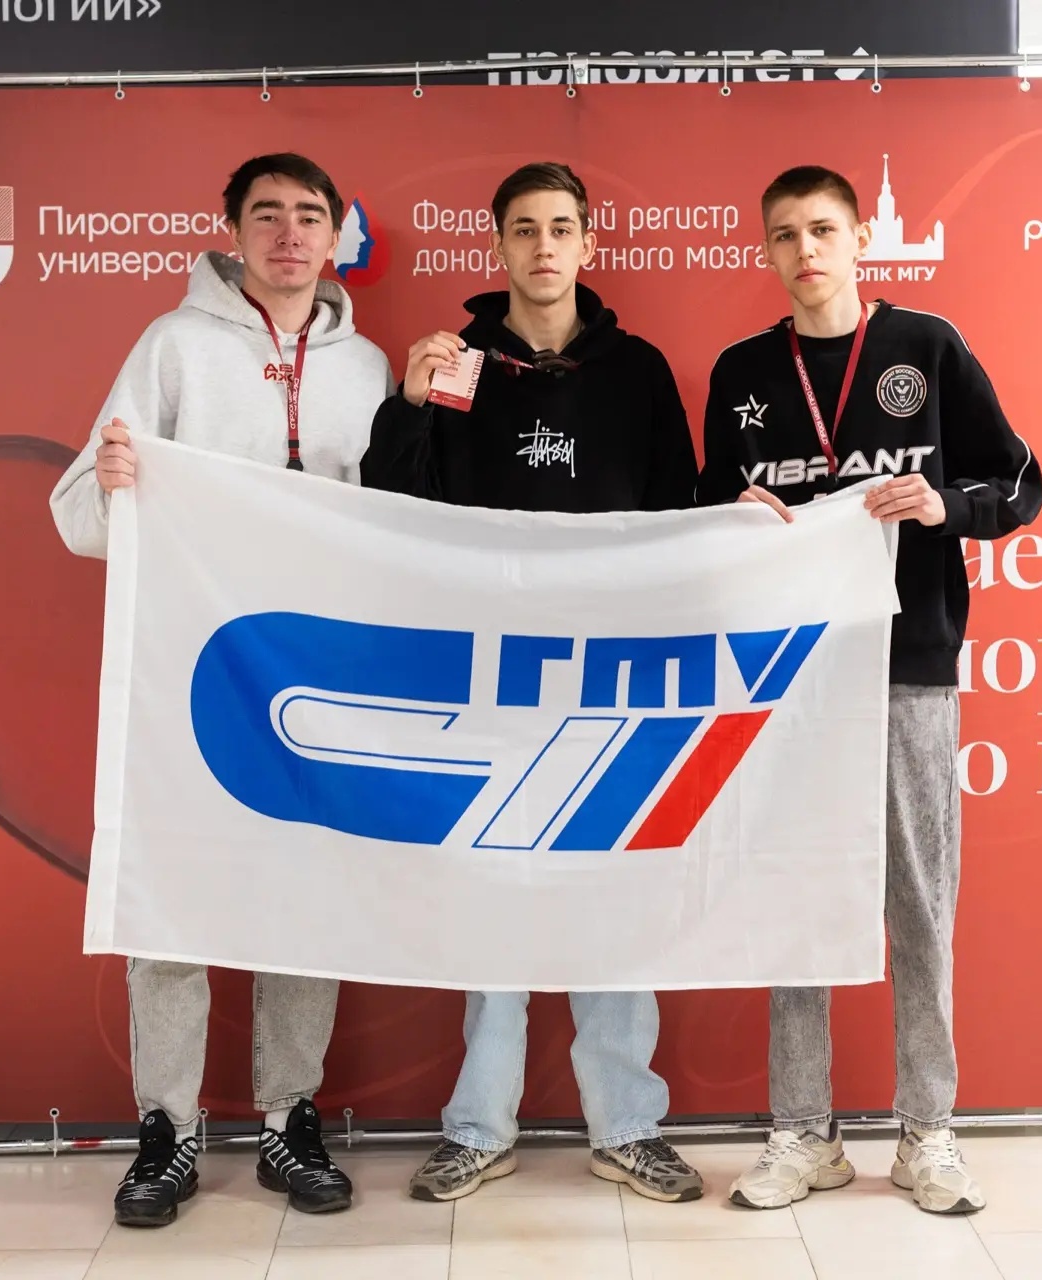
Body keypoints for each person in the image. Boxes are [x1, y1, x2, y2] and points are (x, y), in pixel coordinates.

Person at [50, 152, 392, 1227]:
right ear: (232, 230)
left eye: (309, 216)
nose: (290, 234)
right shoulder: (173, 346)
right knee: (173, 896)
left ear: (336, 235)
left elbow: (391, 528)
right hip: (187, 671)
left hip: (318, 676)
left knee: (306, 900)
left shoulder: (369, 366)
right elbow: (75, 511)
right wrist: (112, 486)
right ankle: (169, 1127)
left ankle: (291, 1117)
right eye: (268, 215)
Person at [697, 165, 1042, 1215]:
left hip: (907, 668)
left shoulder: (927, 347)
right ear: (766, 251)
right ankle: (802, 1130)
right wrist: (733, 513)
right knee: (794, 900)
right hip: (785, 676)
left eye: (822, 230)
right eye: (784, 234)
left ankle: (928, 1131)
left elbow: (1021, 482)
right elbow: (704, 505)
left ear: (859, 242)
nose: (805, 251)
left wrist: (944, 505)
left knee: (920, 904)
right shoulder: (742, 369)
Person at [361, 161, 704, 1203]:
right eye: (524, 229)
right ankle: (479, 1127)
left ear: (588, 243)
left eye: (561, 228)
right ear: (498, 245)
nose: (544, 246)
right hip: (488, 674)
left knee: (614, 903)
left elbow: (680, 516)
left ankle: (627, 1125)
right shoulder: (455, 364)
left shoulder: (638, 370)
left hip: (611, 678)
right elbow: (394, 508)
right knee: (491, 906)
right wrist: (407, 407)